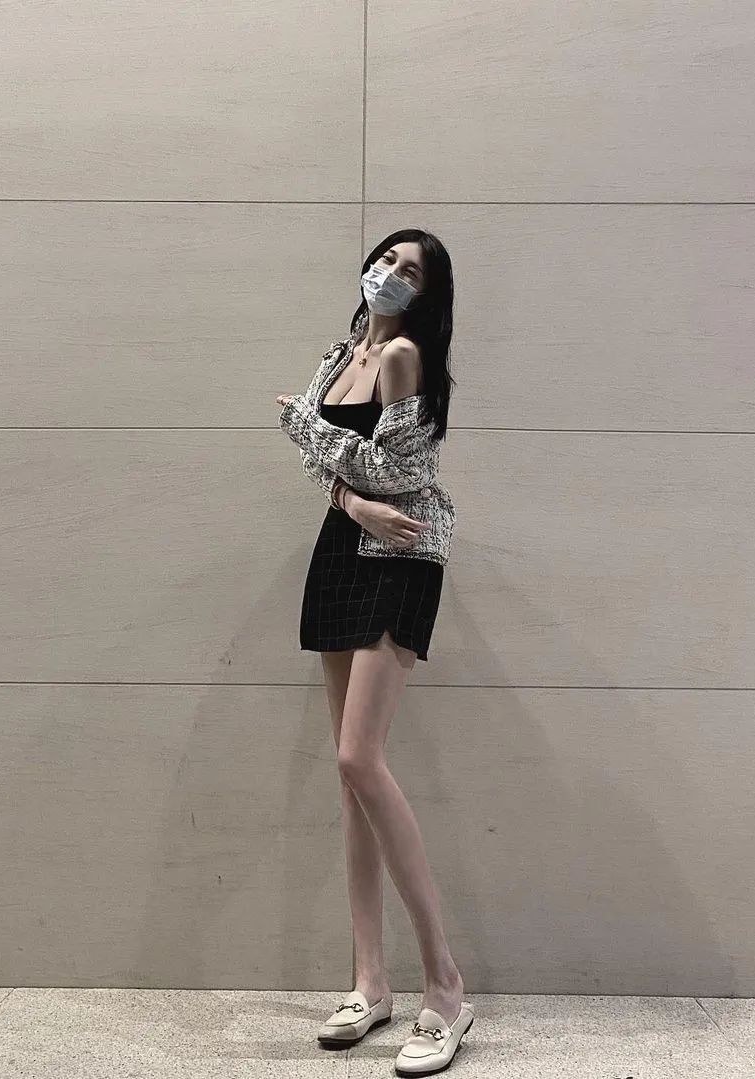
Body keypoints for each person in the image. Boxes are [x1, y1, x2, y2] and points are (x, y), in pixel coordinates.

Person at [275, 229, 473, 1075]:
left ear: (428, 294)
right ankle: (370, 982)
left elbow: (400, 475)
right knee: (349, 778)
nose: (389, 274)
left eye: (410, 270)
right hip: (343, 548)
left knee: (361, 756)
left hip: (401, 555)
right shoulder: (339, 355)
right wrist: (346, 496)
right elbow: (345, 477)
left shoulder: (402, 357)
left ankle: (447, 988)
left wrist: (302, 428)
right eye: (386, 259)